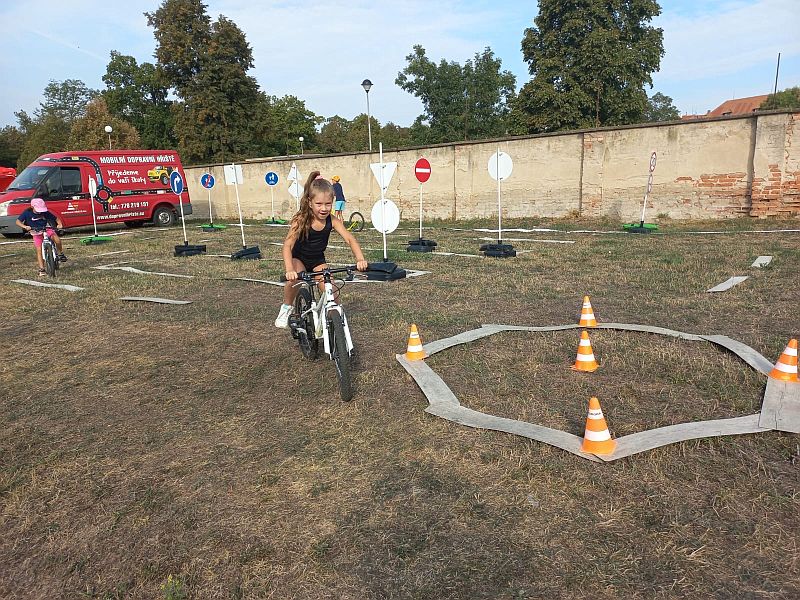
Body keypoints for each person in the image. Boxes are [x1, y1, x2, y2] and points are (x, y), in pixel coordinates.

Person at [275, 171, 368, 328]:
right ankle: (286, 307)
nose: (324, 208)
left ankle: (336, 317)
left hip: (317, 260)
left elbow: (350, 239)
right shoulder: (301, 219)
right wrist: (289, 269)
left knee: (332, 289)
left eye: (328, 204)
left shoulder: (333, 220)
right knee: (294, 280)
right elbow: (287, 245)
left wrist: (360, 259)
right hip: (298, 258)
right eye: (319, 204)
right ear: (310, 202)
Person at [15, 198, 66, 277]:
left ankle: (60, 254)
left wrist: (59, 224)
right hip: (35, 232)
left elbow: (56, 219)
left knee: (57, 240)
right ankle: (42, 269)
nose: (40, 212)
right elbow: (18, 222)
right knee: (39, 250)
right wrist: (25, 226)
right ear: (32, 207)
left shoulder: (45, 212)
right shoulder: (27, 213)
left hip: (46, 229)